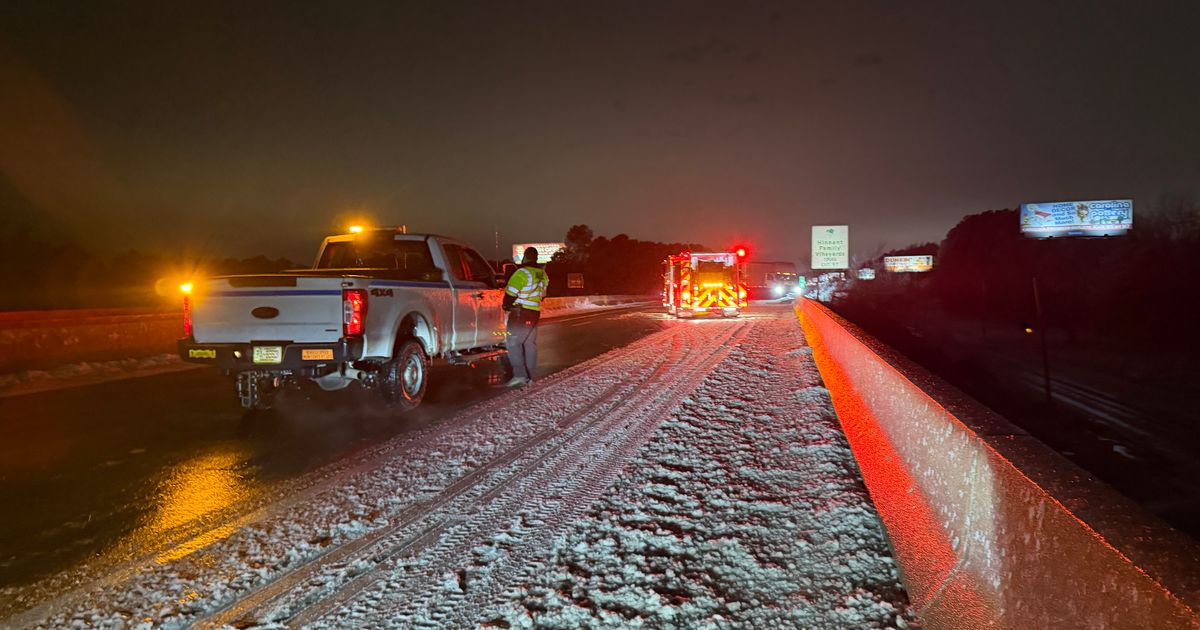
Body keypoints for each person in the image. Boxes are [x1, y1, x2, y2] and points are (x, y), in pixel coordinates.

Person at [502, 247, 550, 387]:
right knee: (530, 344)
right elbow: (543, 295)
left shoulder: (522, 273)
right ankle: (531, 376)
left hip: (520, 313)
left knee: (512, 343)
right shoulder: (542, 274)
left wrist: (506, 305)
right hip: (534, 312)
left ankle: (519, 375)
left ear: (525, 257)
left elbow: (510, 293)